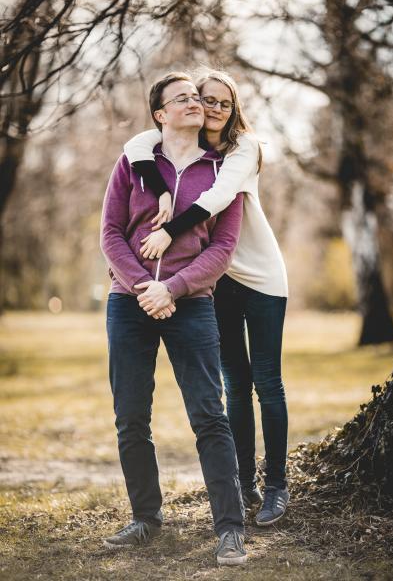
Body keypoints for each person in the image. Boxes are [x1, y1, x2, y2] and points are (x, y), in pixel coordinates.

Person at [124, 69, 290, 527]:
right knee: (234, 385)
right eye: (204, 99)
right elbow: (136, 145)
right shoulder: (188, 150)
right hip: (215, 281)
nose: (212, 108)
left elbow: (217, 198)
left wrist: (167, 232)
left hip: (260, 278)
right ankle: (244, 483)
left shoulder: (243, 149)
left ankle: (277, 485)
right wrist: (158, 188)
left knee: (266, 382)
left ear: (234, 107)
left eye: (221, 102)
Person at [100, 71, 247, 565]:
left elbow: (223, 246)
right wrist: (145, 288)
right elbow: (110, 234)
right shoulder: (134, 162)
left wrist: (174, 288)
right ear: (160, 114)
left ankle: (229, 528)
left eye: (196, 97)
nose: (193, 102)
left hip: (192, 304)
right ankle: (146, 518)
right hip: (130, 303)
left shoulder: (223, 171)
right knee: (130, 417)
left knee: (210, 414)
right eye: (180, 98)